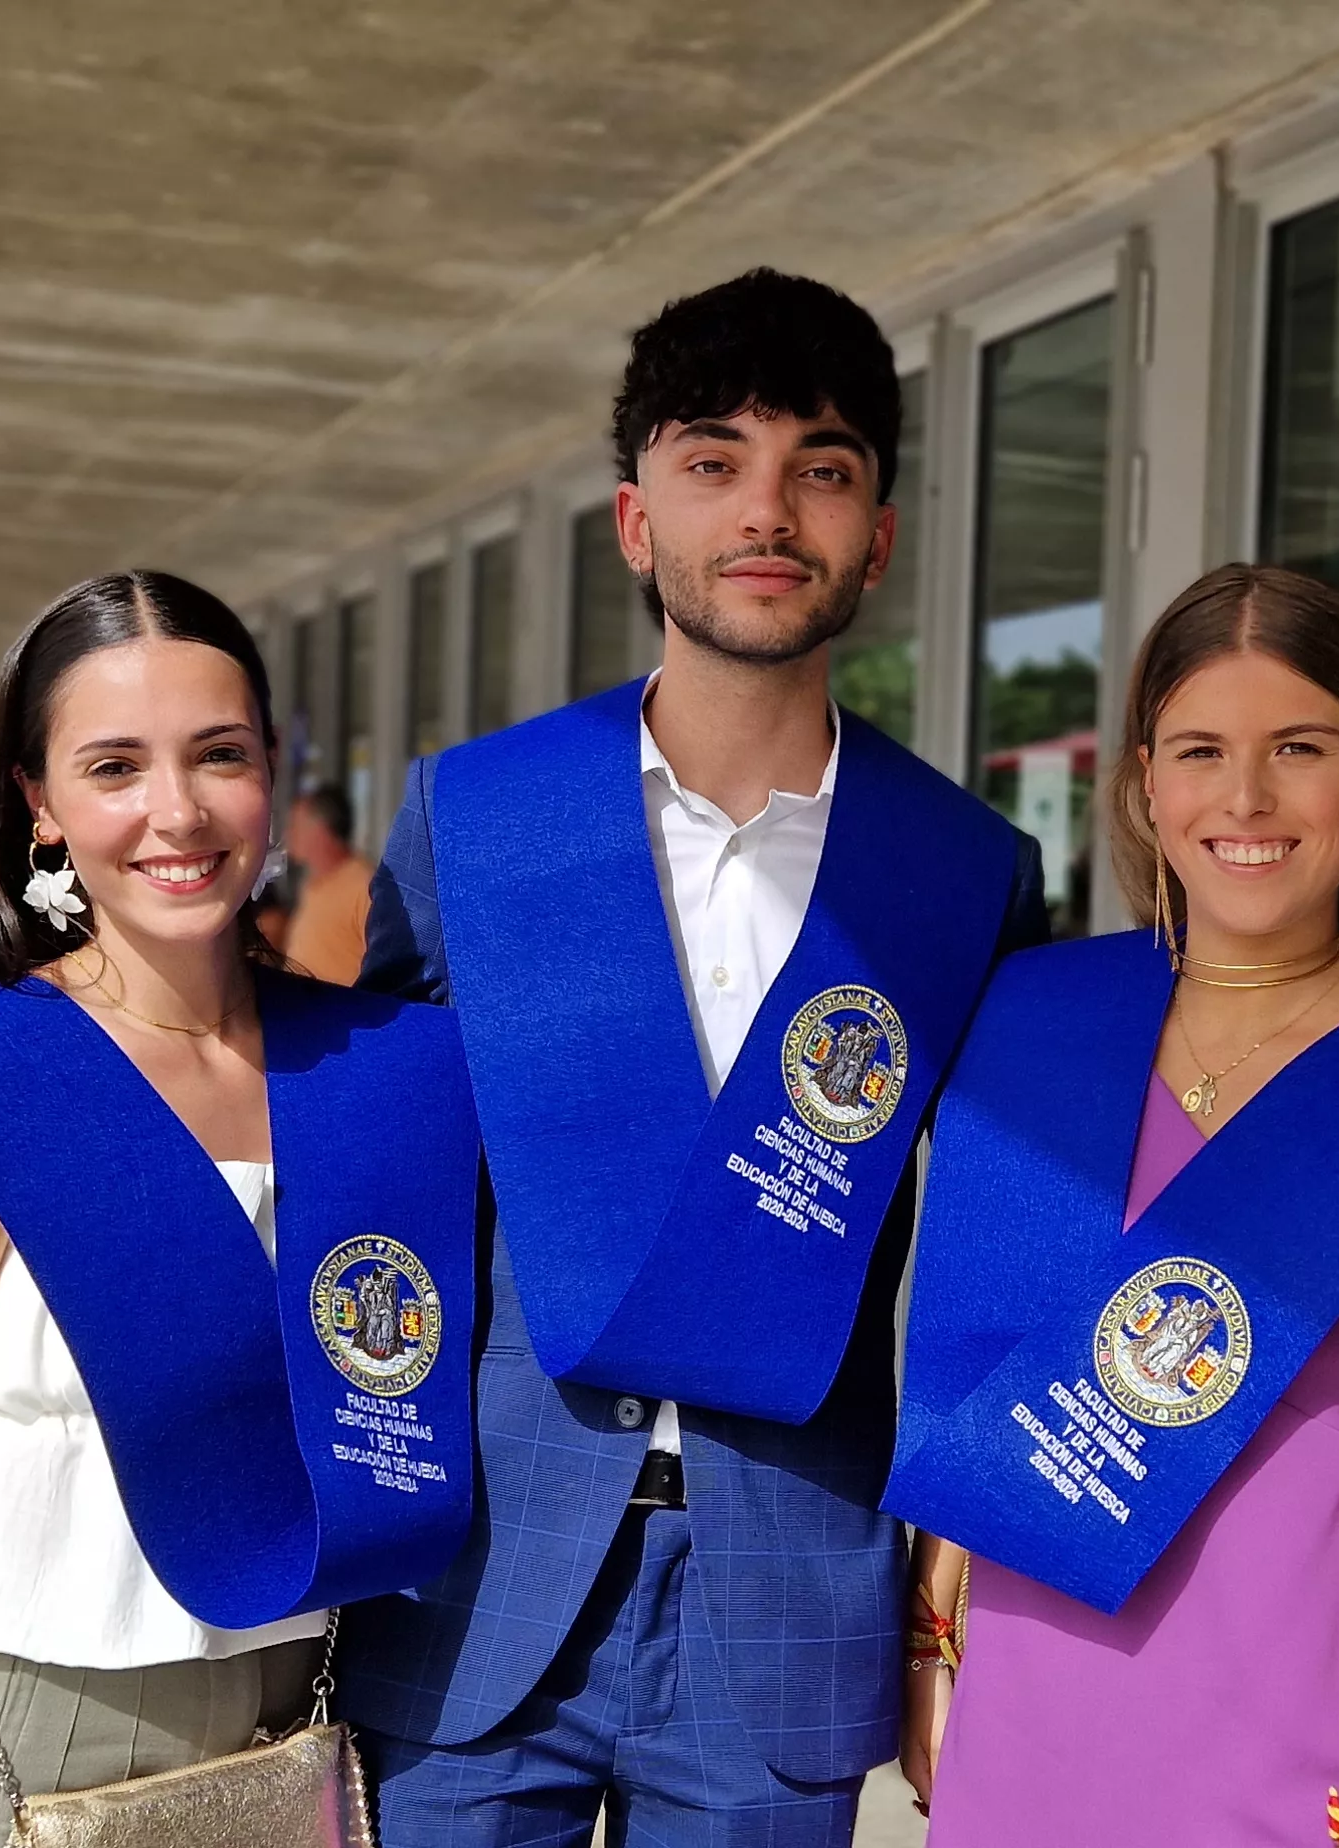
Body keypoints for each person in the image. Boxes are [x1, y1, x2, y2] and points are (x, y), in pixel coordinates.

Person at [339, 270, 1046, 1847]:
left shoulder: (964, 873)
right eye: (714, 460)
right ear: (634, 520)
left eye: (825, 468)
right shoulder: (479, 817)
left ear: (880, 531)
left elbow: (1007, 1242)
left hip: (784, 1614)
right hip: (481, 1589)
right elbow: (360, 1161)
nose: (769, 510)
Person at [0, 571, 484, 1847]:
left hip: (311, 1726)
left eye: (219, 756)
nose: (177, 811)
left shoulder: (379, 1073)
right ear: (39, 807)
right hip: (28, 1743)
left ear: (272, 774)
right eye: (114, 767)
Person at [887, 566, 1339, 1848]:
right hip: (1022, 1750)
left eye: (1297, 749)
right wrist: (930, 1648)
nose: (1246, 799)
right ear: (1148, 783)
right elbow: (976, 1379)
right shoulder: (1037, 1025)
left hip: (1290, 1784)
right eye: (1203, 751)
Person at [280, 787, 371, 983]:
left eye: (295, 825)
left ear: (320, 829)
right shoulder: (314, 884)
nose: (288, 834)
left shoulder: (363, 887)